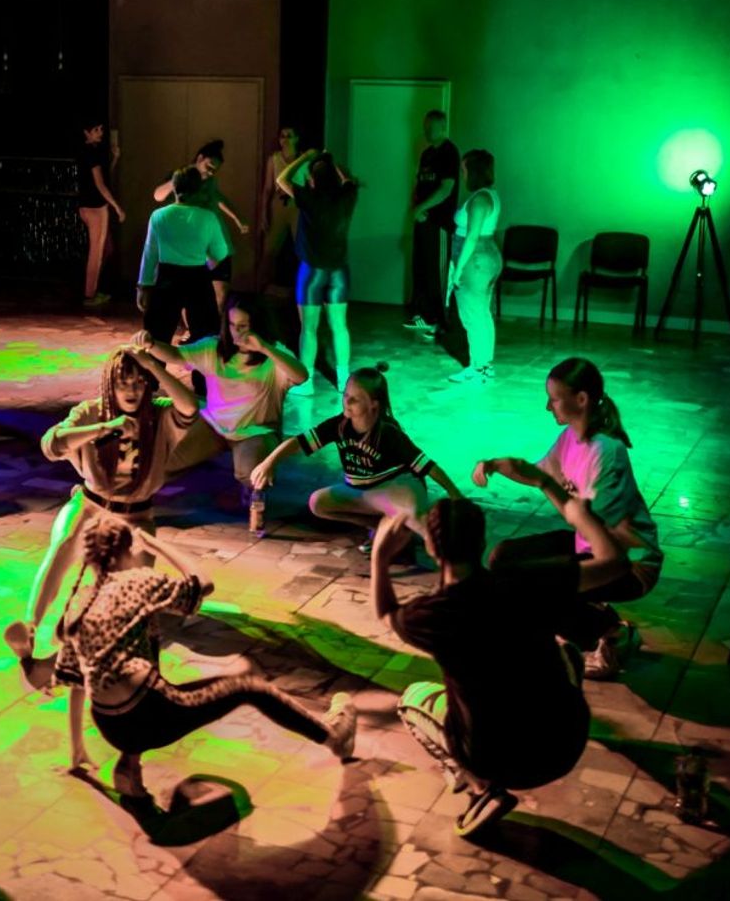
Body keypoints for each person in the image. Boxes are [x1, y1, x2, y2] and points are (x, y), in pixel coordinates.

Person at [13, 517, 358, 798]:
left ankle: (128, 766)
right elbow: (202, 585)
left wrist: (76, 750)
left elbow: (77, 683)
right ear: (127, 550)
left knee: (143, 641)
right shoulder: (137, 581)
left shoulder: (79, 603)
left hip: (111, 727)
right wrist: (159, 545)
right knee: (252, 688)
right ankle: (332, 735)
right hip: (152, 716)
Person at [370, 491, 606, 838]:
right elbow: (614, 563)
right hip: (565, 744)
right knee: (565, 651)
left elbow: (385, 613)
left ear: (431, 548)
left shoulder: (432, 615)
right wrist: (577, 513)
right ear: (481, 542)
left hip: (497, 760)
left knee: (411, 700)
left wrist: (379, 558)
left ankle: (481, 788)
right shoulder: (524, 581)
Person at [11, 347, 200, 758]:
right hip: (92, 505)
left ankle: (74, 664)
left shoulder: (159, 413)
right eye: (122, 383)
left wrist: (153, 365)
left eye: (138, 383)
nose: (131, 391)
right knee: (64, 544)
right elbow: (51, 444)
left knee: (129, 600)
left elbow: (190, 406)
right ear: (110, 385)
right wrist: (103, 428)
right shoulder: (91, 412)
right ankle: (31, 625)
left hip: (136, 517)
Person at [471, 357, 664, 679]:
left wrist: (545, 485)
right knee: (503, 558)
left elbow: (587, 519)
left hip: (627, 563)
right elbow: (542, 472)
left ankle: (610, 633)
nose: (548, 407)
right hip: (588, 546)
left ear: (581, 399)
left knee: (533, 589)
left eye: (554, 399)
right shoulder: (570, 438)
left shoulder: (607, 452)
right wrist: (494, 465)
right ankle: (602, 621)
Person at [250, 363, 463, 564]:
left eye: (355, 399)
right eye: (346, 395)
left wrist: (455, 494)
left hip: (396, 488)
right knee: (318, 503)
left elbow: (427, 466)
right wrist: (269, 462)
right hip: (363, 492)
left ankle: (451, 560)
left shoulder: (388, 432)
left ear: (373, 405)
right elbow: (300, 442)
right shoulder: (340, 425)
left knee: (419, 524)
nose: (347, 402)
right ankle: (383, 527)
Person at [132, 294, 307, 535]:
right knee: (166, 461)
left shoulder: (273, 355)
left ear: (258, 326)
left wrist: (265, 348)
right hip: (214, 425)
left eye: (243, 326)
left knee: (251, 473)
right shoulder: (214, 348)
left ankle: (252, 493)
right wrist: (151, 344)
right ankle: (135, 500)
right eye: (233, 325)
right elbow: (176, 355)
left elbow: (301, 376)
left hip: (255, 431)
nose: (237, 332)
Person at [278, 148, 358, 396]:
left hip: (312, 273)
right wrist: (332, 160)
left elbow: (281, 179)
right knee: (340, 327)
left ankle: (306, 382)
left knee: (309, 329)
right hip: (338, 272)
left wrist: (304, 156)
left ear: (312, 179)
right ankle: (344, 380)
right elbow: (348, 178)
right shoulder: (348, 195)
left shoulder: (308, 197)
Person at [138, 166, 231, 347]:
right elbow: (220, 253)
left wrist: (143, 287)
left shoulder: (158, 215)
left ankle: (156, 365)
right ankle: (198, 367)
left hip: (167, 279)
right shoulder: (208, 217)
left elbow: (149, 254)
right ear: (198, 189)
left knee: (157, 338)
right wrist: (206, 262)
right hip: (198, 278)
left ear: (174, 188)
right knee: (205, 339)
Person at [153, 139, 247, 310]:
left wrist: (237, 218)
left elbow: (217, 198)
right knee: (189, 293)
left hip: (212, 239)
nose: (210, 172)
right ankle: (193, 325)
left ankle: (215, 325)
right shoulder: (181, 176)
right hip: (192, 242)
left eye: (214, 170)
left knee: (220, 291)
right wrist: (176, 181)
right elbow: (158, 195)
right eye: (208, 166)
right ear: (199, 158)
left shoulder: (210, 182)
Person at [446, 150, 503, 384]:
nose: (462, 174)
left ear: (473, 170)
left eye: (464, 169)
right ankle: (483, 365)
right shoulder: (489, 195)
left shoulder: (480, 199)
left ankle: (479, 369)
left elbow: (471, 237)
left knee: (473, 316)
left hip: (475, 260)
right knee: (482, 313)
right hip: (484, 257)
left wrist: (457, 269)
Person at [405, 109, 460, 335]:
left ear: (443, 127)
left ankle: (440, 321)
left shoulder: (449, 152)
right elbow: (419, 185)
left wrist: (421, 208)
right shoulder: (426, 154)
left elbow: (446, 189)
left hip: (440, 223)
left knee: (438, 273)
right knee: (422, 269)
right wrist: (416, 208)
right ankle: (423, 317)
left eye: (431, 127)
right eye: (425, 127)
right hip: (423, 221)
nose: (426, 131)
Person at [78, 120, 125, 308]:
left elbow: (101, 179)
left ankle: (93, 289)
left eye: (101, 129)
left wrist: (115, 159)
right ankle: (90, 294)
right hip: (95, 207)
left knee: (106, 249)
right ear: (86, 132)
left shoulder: (91, 152)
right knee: (96, 252)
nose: (100, 133)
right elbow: (99, 184)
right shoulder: (91, 152)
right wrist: (116, 206)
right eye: (96, 130)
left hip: (89, 206)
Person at [258, 126, 303, 294]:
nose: (285, 139)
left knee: (302, 249)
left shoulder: (302, 159)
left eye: (289, 136)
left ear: (296, 138)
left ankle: (303, 291)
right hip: (278, 204)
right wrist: (264, 213)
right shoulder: (274, 159)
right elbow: (267, 188)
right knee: (269, 249)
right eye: (282, 136)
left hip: (296, 205)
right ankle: (262, 288)